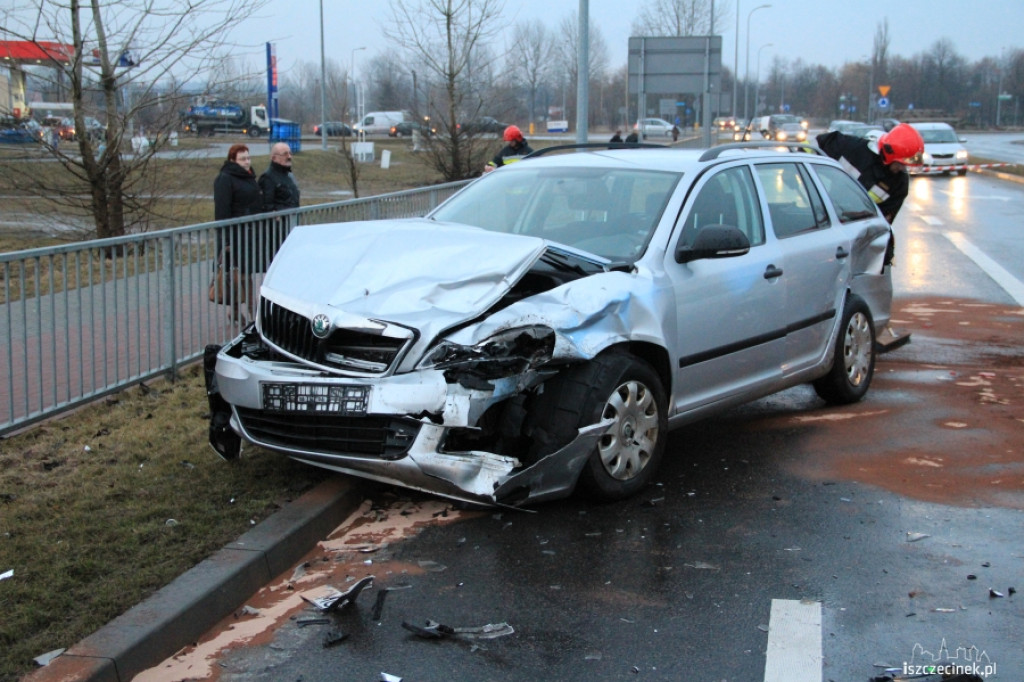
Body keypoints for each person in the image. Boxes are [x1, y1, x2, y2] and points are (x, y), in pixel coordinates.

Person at [816, 122, 924, 265]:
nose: (902, 168)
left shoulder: (899, 184)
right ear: (889, 153)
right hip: (823, 219)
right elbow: (816, 146)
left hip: (855, 233)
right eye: (901, 163)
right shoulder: (852, 148)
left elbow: (883, 223)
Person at [212, 143, 263, 322]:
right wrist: (226, 240)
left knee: (240, 275)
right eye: (242, 159)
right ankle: (254, 316)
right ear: (233, 160)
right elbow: (222, 211)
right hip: (234, 236)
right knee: (241, 276)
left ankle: (235, 311)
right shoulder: (225, 179)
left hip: (248, 234)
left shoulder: (248, 177)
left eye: (248, 158)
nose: (247, 162)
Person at [259, 142, 301, 211]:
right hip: (280, 220)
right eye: (285, 154)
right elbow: (267, 205)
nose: (289, 156)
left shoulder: (289, 175)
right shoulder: (268, 177)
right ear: (274, 158)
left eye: (290, 153)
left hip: (292, 218)